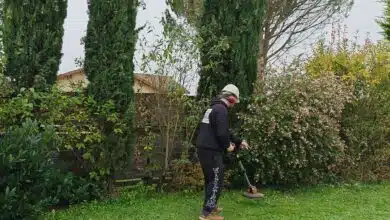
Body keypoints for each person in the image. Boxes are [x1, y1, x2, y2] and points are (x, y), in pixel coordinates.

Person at [195, 84, 249, 220]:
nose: (234, 105)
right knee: (216, 180)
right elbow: (222, 134)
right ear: (231, 99)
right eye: (234, 102)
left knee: (210, 180)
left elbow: (224, 130)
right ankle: (207, 214)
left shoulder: (213, 108)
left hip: (204, 148)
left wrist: (238, 141)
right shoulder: (221, 110)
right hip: (212, 151)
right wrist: (227, 146)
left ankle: (211, 206)